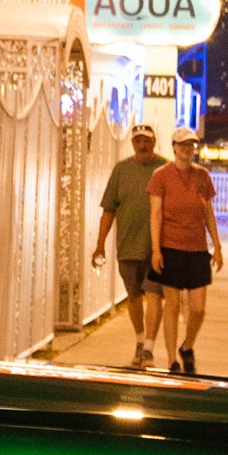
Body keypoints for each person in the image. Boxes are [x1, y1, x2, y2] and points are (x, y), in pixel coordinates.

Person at [146, 124, 222, 374]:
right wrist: (156, 250)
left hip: (197, 247)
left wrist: (217, 246)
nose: (187, 149)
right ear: (174, 148)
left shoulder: (202, 176)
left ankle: (187, 346)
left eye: (191, 145)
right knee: (173, 304)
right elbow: (156, 214)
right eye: (182, 145)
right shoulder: (161, 175)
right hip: (170, 245)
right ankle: (171, 360)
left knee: (198, 308)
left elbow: (208, 213)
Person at [92, 122, 166, 369]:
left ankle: (149, 349)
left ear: (154, 142)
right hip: (128, 246)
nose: (142, 145)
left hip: (158, 248)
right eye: (138, 140)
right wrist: (100, 244)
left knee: (155, 295)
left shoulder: (164, 168)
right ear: (132, 143)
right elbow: (109, 209)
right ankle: (139, 340)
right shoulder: (121, 170)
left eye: (146, 140)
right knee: (134, 297)